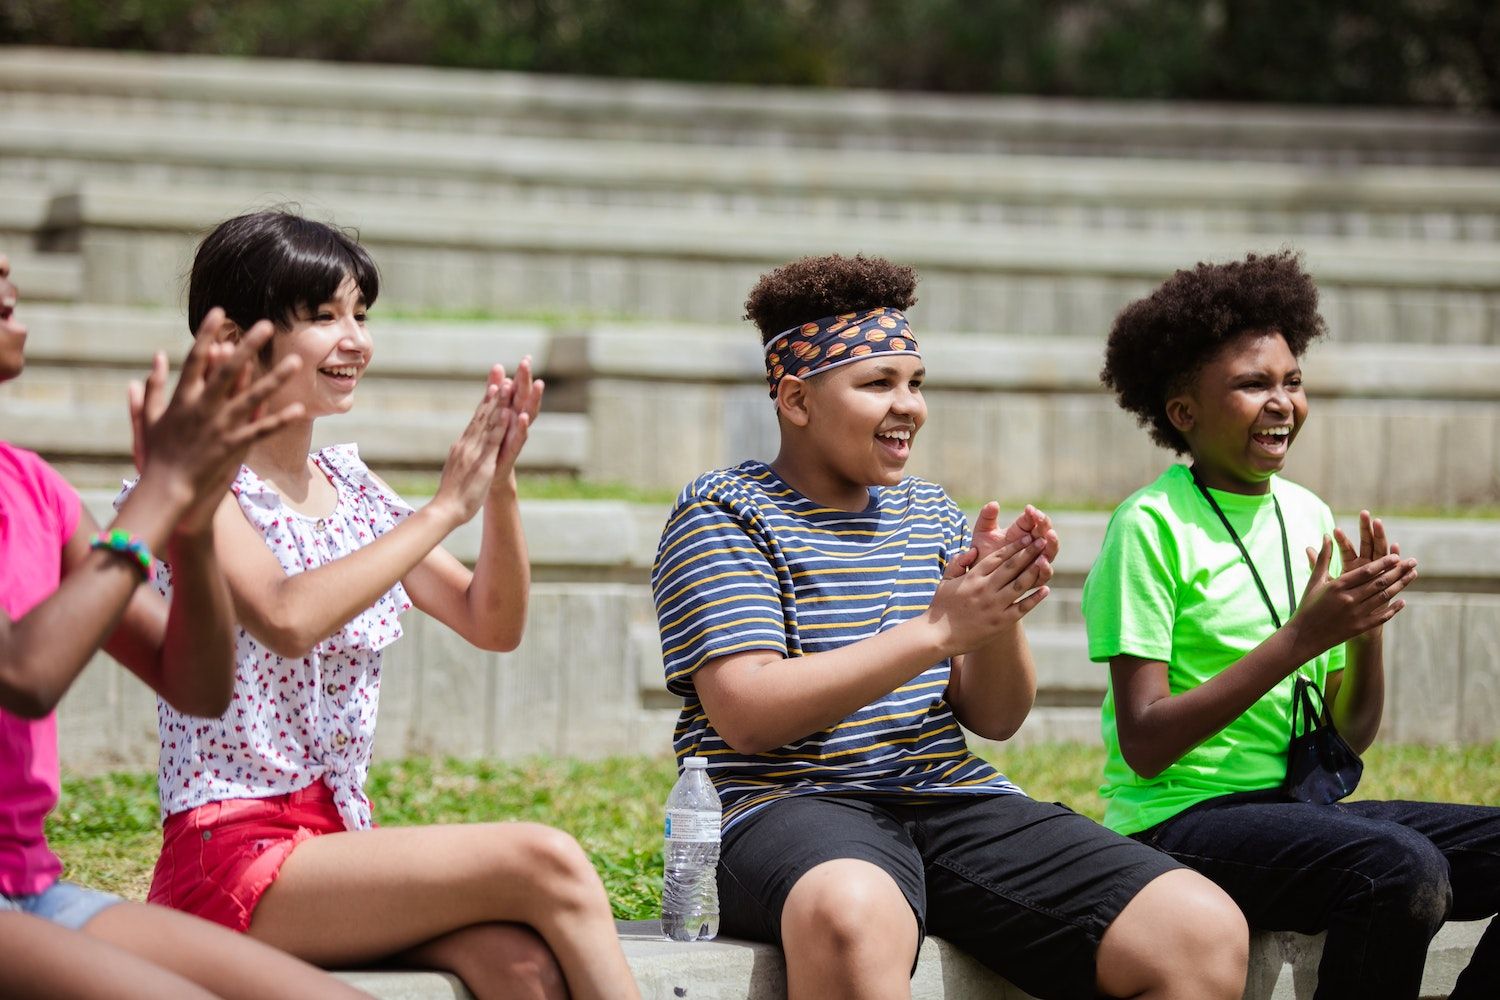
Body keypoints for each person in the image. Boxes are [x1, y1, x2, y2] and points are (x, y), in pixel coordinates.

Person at [650, 253, 1249, 1000]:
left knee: (1200, 929)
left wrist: (993, 614)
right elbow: (747, 712)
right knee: (853, 914)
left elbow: (997, 716)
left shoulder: (930, 510)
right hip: (783, 806)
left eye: (915, 383)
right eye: (878, 384)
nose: (910, 406)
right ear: (797, 400)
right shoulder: (724, 511)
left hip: (946, 796)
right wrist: (937, 631)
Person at [129, 213, 640, 1000]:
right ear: (232, 337)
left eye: (360, 315)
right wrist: (442, 510)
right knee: (548, 858)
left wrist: (496, 487)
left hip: (335, 844)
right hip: (227, 855)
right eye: (325, 317)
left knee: (520, 966)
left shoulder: (355, 492)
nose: (355, 339)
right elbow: (286, 616)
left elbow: (491, 623)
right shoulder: (192, 483)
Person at [1084, 250, 1500, 1000]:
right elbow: (1146, 743)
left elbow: (1349, 736)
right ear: (1184, 412)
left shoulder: (1305, 513)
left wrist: (1364, 633)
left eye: (1292, 381)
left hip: (1299, 816)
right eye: (1252, 385)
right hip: (1179, 825)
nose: (1281, 401)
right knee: (1399, 868)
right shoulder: (1148, 526)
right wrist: (1302, 639)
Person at [0, 251, 370, 998]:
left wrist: (193, 522)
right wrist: (161, 488)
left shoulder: (32, 487)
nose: (8, 273)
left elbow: (195, 683)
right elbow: (25, 675)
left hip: (28, 885)